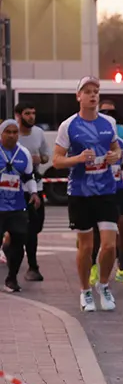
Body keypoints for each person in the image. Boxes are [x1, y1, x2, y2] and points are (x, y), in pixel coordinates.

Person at [53, 77, 123, 312]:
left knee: (110, 246)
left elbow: (116, 148)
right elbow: (57, 160)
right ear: (79, 96)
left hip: (106, 190)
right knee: (85, 247)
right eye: (88, 92)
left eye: (96, 91)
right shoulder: (68, 126)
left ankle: (103, 285)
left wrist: (116, 155)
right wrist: (78, 159)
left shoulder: (108, 123)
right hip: (80, 192)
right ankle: (85, 291)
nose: (93, 95)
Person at [93, 98, 123, 287]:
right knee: (97, 232)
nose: (109, 117)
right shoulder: (92, 133)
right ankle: (93, 268)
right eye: (105, 113)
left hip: (119, 188)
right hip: (99, 189)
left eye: (112, 114)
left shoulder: (121, 134)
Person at [0, 120, 40, 293]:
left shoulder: (24, 153)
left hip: (17, 206)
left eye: (15, 132)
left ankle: (12, 278)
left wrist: (34, 193)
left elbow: (28, 177)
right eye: (8, 132)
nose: (12, 135)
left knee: (19, 242)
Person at [14, 102, 48, 282]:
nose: (31, 117)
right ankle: (32, 267)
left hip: (36, 185)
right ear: (18, 115)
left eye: (33, 113)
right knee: (27, 230)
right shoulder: (11, 133)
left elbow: (46, 155)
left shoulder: (39, 133)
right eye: (27, 113)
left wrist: (40, 158)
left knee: (36, 226)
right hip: (15, 189)